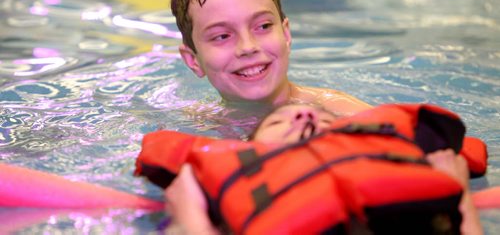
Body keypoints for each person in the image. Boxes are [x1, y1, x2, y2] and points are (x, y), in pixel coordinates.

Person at [153, 104, 483, 235]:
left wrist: (456, 193)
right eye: (278, 121)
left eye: (327, 122)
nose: (305, 118)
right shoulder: (225, 192)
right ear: (247, 149)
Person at [170, 0, 372, 117]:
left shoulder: (340, 113)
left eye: (263, 26)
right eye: (222, 36)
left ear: (285, 34)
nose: (248, 47)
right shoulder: (194, 126)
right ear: (193, 60)